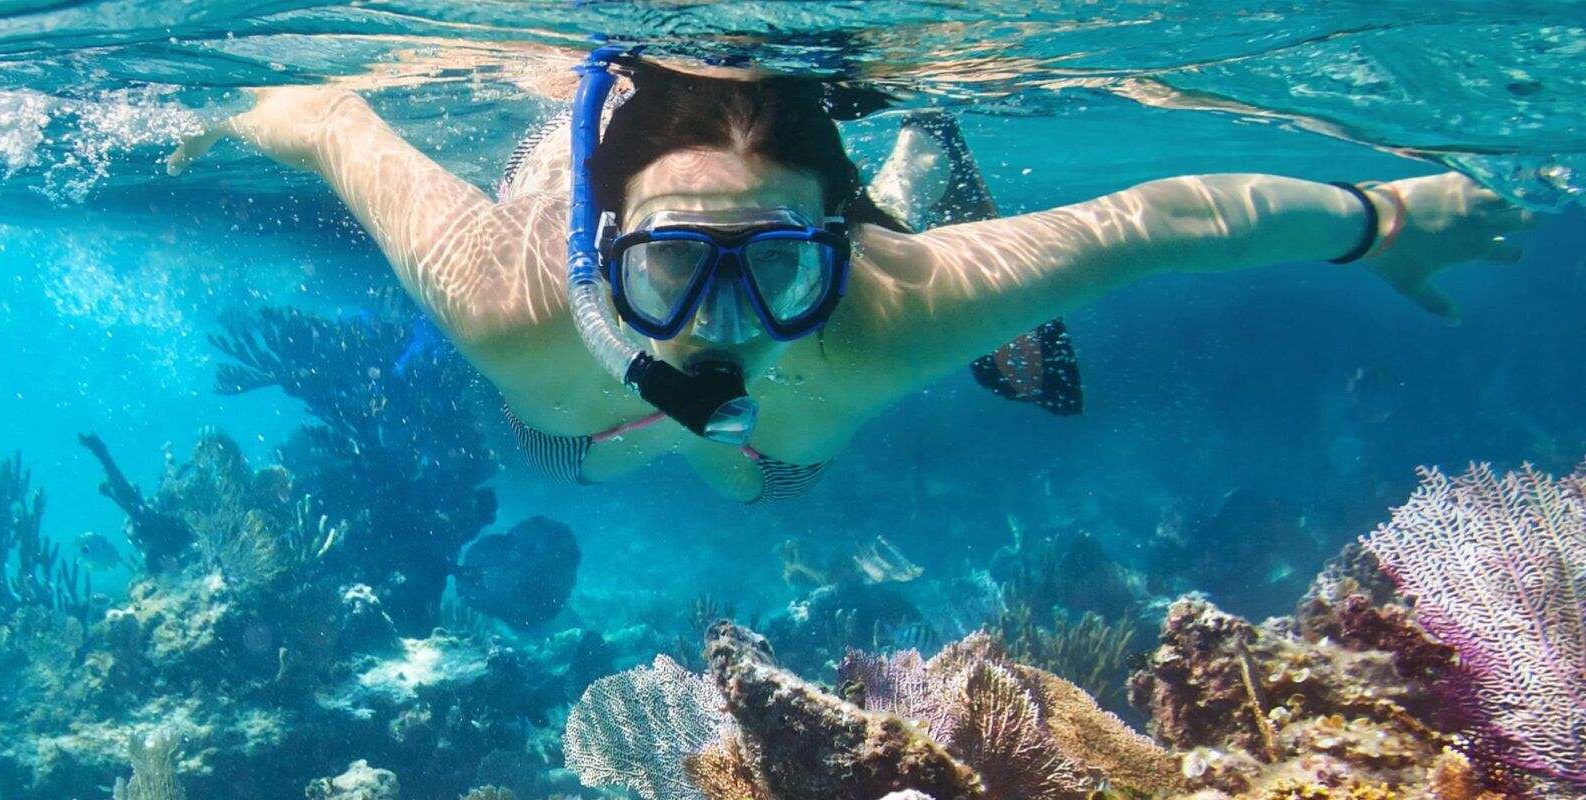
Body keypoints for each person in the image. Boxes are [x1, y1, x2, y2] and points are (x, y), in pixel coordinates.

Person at [167, 51, 1537, 503]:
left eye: (771, 267)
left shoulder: (893, 305)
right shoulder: (506, 301)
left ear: (831, 252)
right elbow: (335, 118)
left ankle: (907, 173)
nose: (718, 323)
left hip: (844, 278)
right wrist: (223, 120)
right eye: (669, 268)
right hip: (580, 407)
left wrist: (1384, 215)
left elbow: (1163, 218)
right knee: (576, 448)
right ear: (599, 257)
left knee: (763, 473)